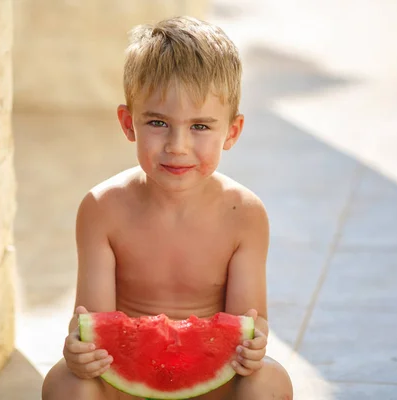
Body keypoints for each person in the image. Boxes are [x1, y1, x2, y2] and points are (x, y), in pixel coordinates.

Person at [42, 15, 293, 400]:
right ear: (129, 124)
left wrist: (254, 346)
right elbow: (94, 327)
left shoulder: (245, 214)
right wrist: (80, 354)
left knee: (270, 381)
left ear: (233, 132)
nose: (177, 145)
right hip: (123, 382)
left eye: (200, 127)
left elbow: (250, 327)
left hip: (213, 384)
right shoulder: (101, 208)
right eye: (158, 122)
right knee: (65, 383)